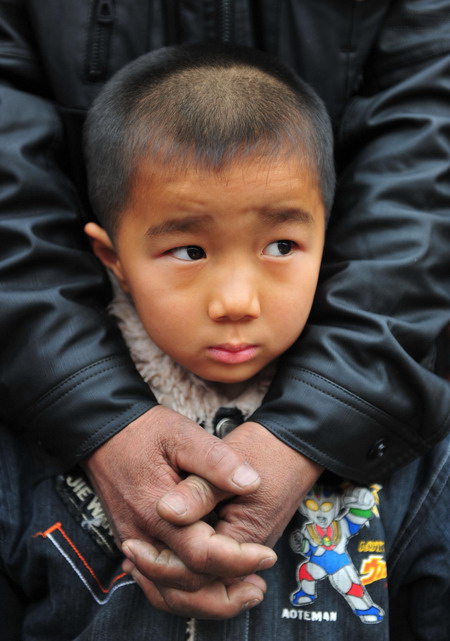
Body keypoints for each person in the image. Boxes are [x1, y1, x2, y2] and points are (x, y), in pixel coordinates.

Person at [1, 0, 450, 623]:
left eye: (281, 246)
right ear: (112, 257)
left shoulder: (416, 450)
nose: (237, 302)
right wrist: (87, 410)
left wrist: (327, 418)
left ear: (331, 236)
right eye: (189, 250)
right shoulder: (24, 455)